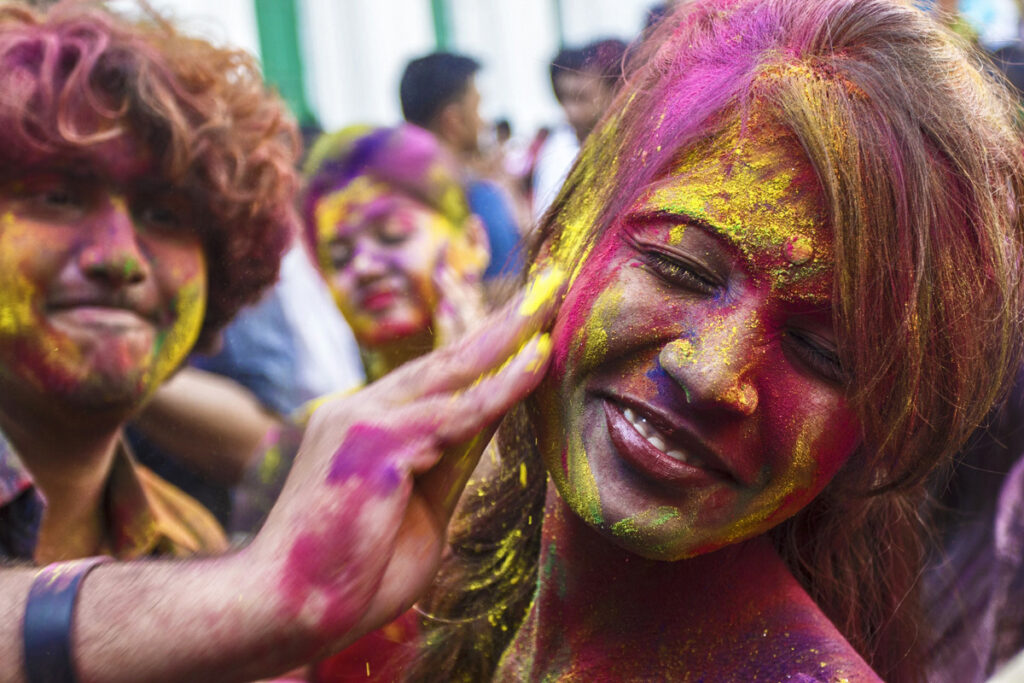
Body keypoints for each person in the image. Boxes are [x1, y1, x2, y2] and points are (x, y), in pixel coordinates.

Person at [409, 0, 1024, 681]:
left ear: (871, 433)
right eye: (680, 268)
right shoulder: (424, 558)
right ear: (567, 236)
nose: (710, 372)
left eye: (822, 353)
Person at [0, 3, 559, 680]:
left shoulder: (186, 539)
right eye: (56, 199)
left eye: (163, 214)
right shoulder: (243, 557)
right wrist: (253, 597)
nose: (119, 257)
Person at [302, 124, 489, 382]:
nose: (364, 267)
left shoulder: (539, 374)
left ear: (472, 242)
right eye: (339, 257)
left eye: (393, 234)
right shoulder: (334, 409)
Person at [400, 52, 523, 283]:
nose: (484, 122)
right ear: (453, 121)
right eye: (478, 108)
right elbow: (507, 292)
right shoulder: (480, 199)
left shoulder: (396, 202)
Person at [532, 39, 628, 222]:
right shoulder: (558, 154)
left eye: (581, 98)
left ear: (613, 93)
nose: (571, 112)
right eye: (563, 99)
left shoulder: (635, 151)